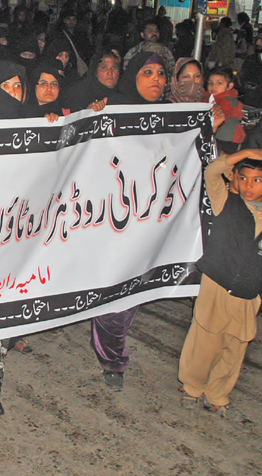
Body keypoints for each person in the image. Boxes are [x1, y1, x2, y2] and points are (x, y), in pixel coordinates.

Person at [92, 51, 168, 391]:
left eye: (162, 74)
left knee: (132, 292)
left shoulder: (172, 119)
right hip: (112, 220)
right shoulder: (113, 111)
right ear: (133, 76)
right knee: (114, 295)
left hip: (149, 221)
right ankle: (113, 358)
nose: (156, 79)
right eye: (147, 72)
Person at [178, 148, 262, 417]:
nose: (248, 186)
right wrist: (248, 152)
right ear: (235, 179)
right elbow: (212, 171)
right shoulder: (225, 200)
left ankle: (217, 393)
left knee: (235, 346)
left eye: (257, 180)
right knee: (205, 341)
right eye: (244, 178)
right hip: (217, 284)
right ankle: (192, 387)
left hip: (249, 291)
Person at [206, 67, 245, 153]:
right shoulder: (210, 98)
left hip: (226, 140)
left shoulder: (226, 101)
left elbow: (220, 118)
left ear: (230, 86)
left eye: (219, 83)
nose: (213, 86)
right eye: (210, 83)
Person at [239, 30, 262, 107]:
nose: (257, 43)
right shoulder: (251, 60)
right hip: (252, 104)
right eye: (257, 39)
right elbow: (243, 80)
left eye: (261, 40)